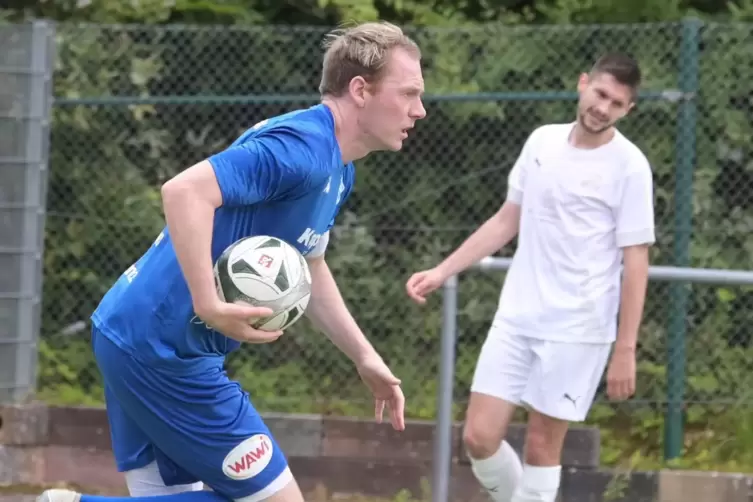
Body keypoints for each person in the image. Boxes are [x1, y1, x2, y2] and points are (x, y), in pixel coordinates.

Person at [38, 21, 427, 502]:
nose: (420, 110)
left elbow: (311, 266)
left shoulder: (337, 169)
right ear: (360, 90)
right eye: (409, 93)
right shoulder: (303, 148)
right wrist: (208, 302)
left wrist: (365, 358)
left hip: (141, 334)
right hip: (163, 349)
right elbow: (183, 192)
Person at [406, 52, 654, 502]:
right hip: (517, 317)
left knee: (542, 445)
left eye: (617, 103)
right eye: (600, 94)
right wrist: (443, 270)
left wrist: (626, 347)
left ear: (628, 110)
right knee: (478, 439)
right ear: (583, 84)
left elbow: (636, 260)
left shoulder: (631, 167)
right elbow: (506, 221)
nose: (603, 107)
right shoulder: (541, 142)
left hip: (579, 327)